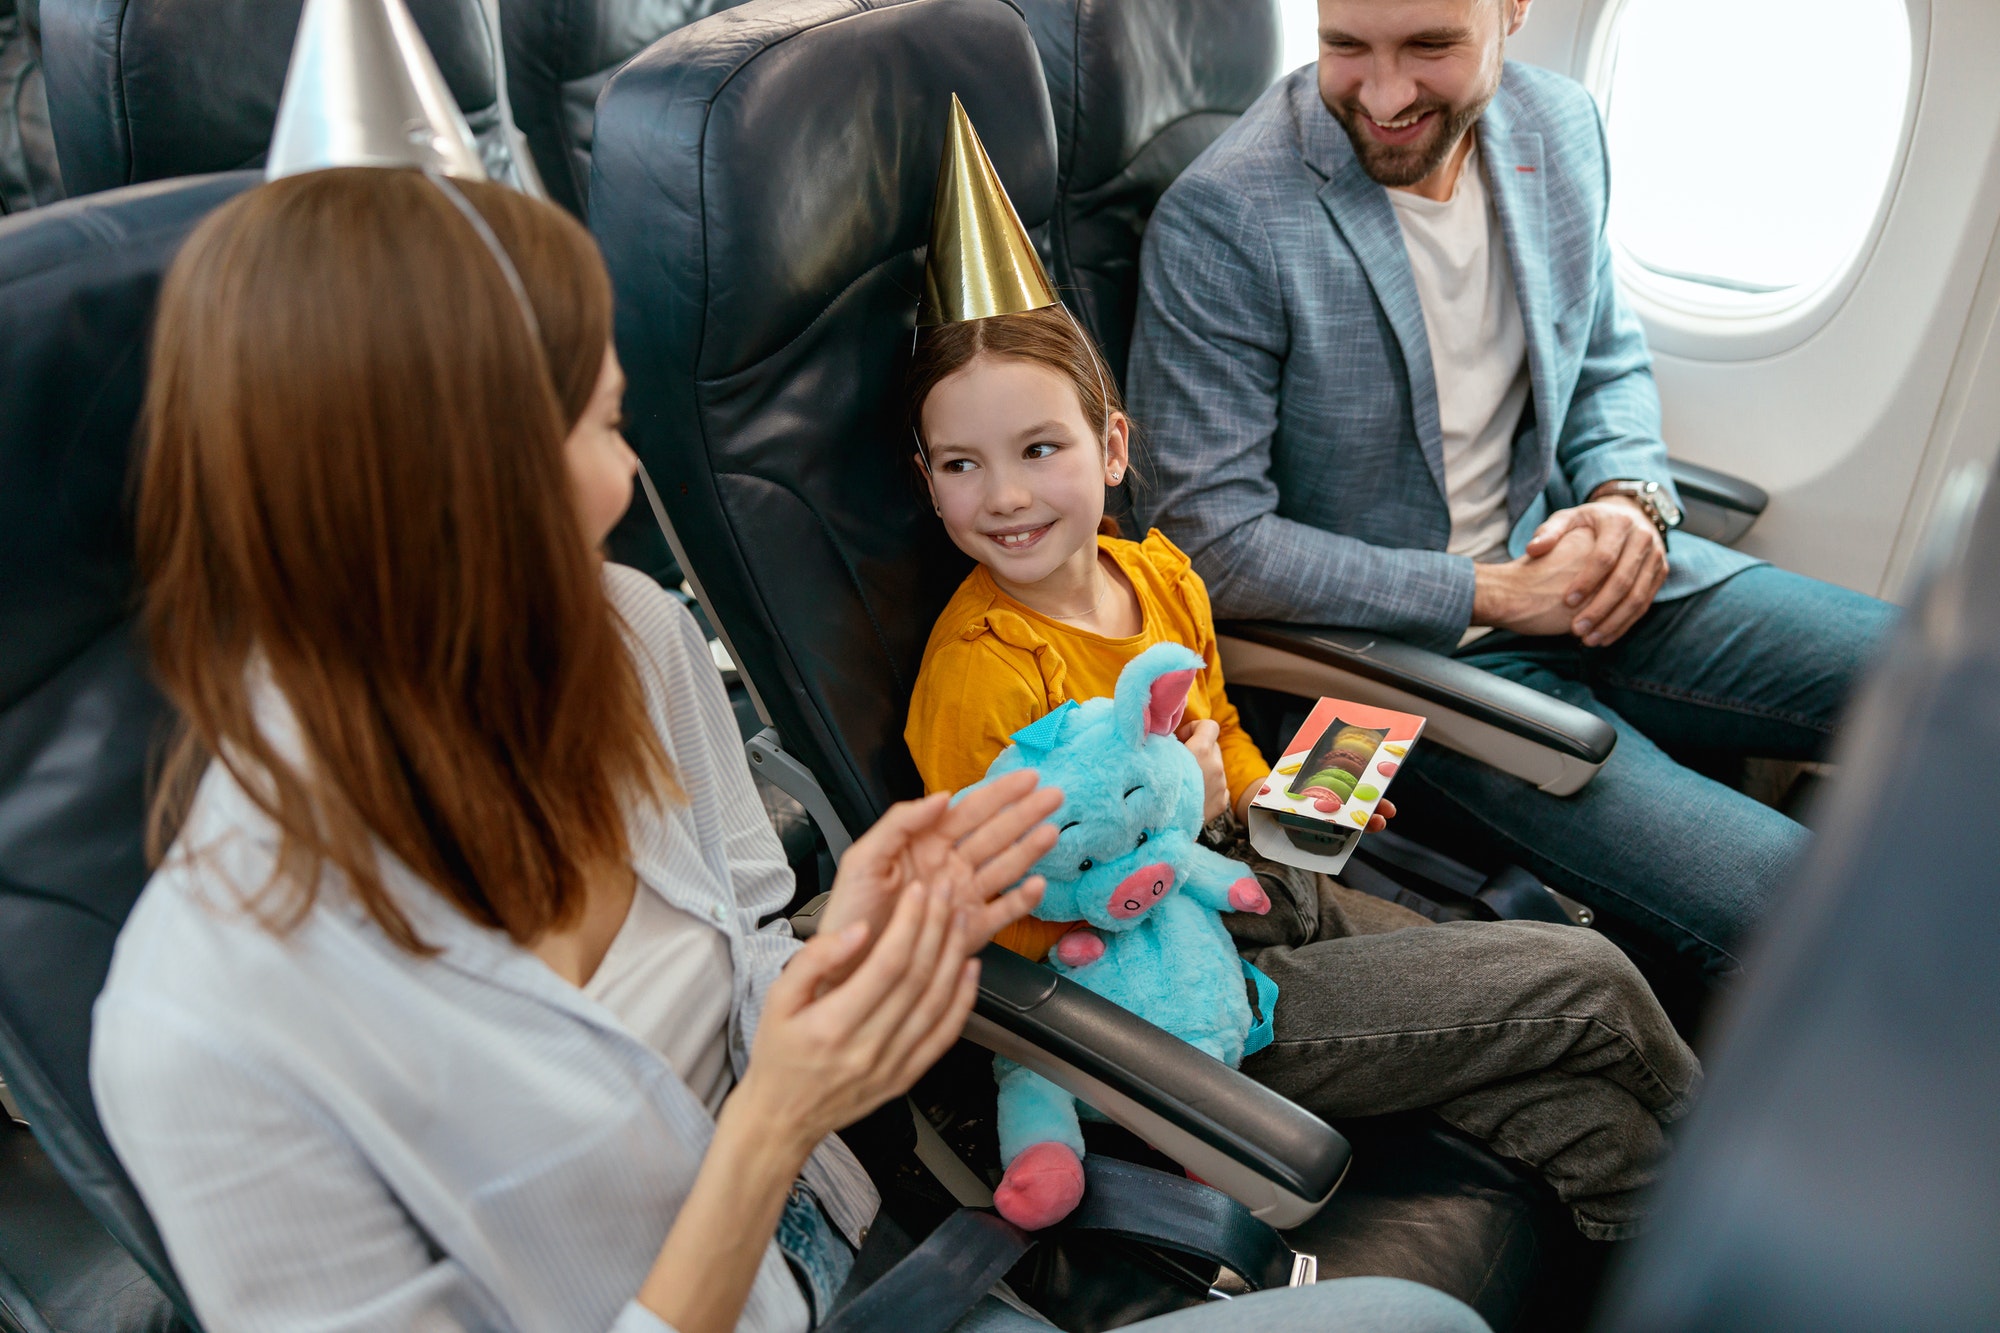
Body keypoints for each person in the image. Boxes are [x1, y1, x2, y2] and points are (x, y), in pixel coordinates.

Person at [89, 167, 1491, 1333]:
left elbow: (751, 939)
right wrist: (769, 1125)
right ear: (447, 495)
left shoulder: (626, 636)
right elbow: (769, 1108)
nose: (628, 480)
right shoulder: (201, 1031)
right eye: (598, 426)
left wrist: (866, 944)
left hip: (866, 1252)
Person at [1125, 0, 1895, 984]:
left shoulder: (1558, 126)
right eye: (1345, 48)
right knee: (1814, 911)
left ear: (1512, 11)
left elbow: (1604, 354)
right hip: (1372, 672)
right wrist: (1486, 593)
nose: (1384, 92)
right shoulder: (1230, 215)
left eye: (1429, 46)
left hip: (1576, 571)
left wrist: (1625, 499)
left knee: (1949, 683)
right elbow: (1208, 541)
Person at [902, 292, 1700, 1241]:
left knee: (1590, 1121)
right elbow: (997, 914)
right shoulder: (981, 673)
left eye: (1041, 448)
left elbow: (1221, 726)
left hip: (1262, 882)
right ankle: (1749, 1175)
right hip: (1188, 998)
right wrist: (1176, 820)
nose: (1004, 495)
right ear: (929, 480)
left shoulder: (1157, 576)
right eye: (963, 464)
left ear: (1113, 446)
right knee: (1590, 980)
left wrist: (1276, 798)